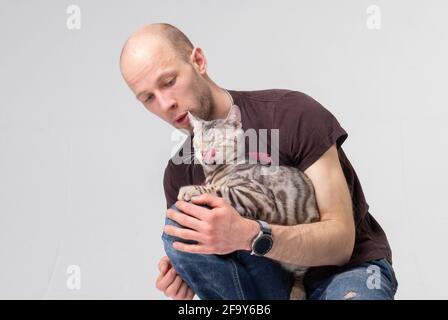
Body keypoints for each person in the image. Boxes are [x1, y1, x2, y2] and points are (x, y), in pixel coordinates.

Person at [119, 22, 398, 300]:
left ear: (199, 61)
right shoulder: (179, 173)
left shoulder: (291, 114)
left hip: (345, 272)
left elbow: (341, 243)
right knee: (179, 233)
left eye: (169, 82)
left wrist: (251, 234)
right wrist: (187, 275)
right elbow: (229, 275)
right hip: (269, 289)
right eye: (148, 98)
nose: (165, 103)